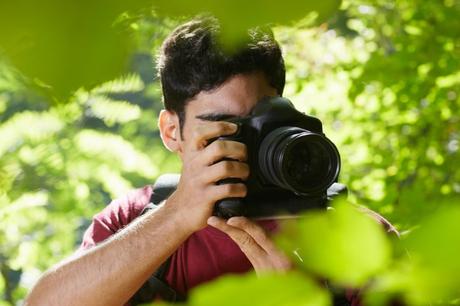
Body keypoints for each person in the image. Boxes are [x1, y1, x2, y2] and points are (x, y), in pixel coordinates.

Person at [25, 16, 396, 306]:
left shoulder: (356, 237)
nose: (245, 146)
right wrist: (175, 216)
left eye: (258, 123)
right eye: (223, 130)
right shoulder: (134, 221)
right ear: (172, 132)